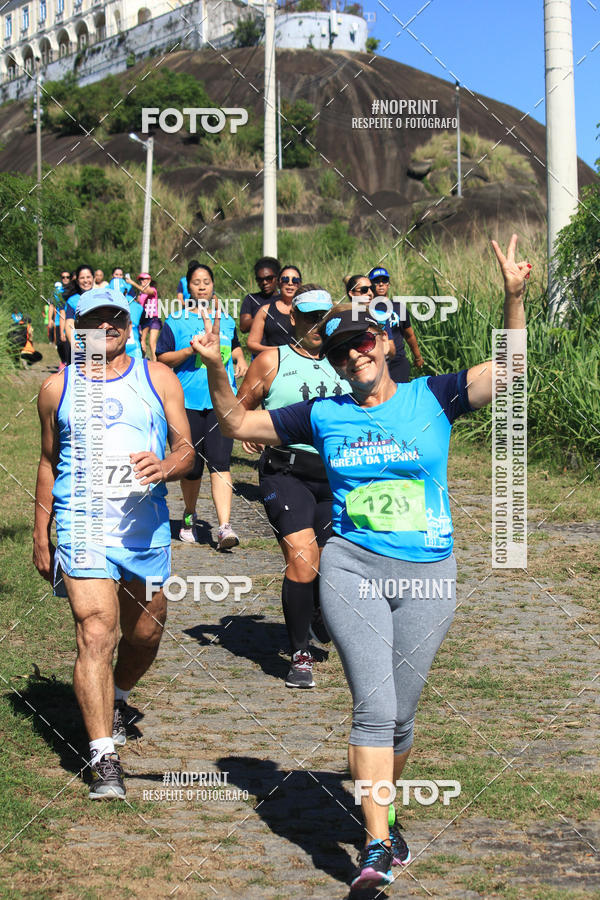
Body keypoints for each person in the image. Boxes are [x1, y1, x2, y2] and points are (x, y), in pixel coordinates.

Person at [191, 235, 530, 888]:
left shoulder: (434, 396)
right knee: (373, 708)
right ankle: (374, 847)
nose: (356, 354)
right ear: (339, 362)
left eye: (365, 343)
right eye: (344, 350)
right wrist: (213, 366)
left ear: (384, 346)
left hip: (430, 573)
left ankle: (384, 812)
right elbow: (234, 423)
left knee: (401, 713)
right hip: (352, 569)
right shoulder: (322, 414)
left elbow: (511, 371)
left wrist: (512, 297)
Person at [33, 287, 193, 800]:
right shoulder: (56, 389)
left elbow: (186, 448)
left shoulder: (158, 377)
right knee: (97, 631)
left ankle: (118, 696)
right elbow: (47, 460)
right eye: (94, 320)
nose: (107, 328)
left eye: (116, 318)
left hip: (142, 528)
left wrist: (166, 467)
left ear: (128, 324)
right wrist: (41, 532)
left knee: (145, 632)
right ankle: (104, 758)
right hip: (82, 523)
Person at [238, 286, 350, 688]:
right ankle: (299, 653)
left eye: (323, 316)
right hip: (285, 474)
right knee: (303, 561)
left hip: (338, 476)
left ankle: (317, 606)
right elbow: (239, 409)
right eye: (308, 317)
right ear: (293, 320)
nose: (317, 325)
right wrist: (250, 430)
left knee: (330, 565)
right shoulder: (272, 360)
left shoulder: (347, 360)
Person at [156, 262, 248, 550]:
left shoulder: (226, 319)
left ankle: (224, 527)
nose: (202, 286)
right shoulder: (175, 321)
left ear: (213, 285)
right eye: (196, 282)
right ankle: (189, 515)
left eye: (207, 281)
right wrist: (189, 351)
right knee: (192, 467)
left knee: (220, 464)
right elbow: (161, 358)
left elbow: (232, 345)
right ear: (188, 287)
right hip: (187, 403)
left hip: (220, 403)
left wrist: (240, 357)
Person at [368, 266, 423, 382]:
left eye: (384, 280)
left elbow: (409, 335)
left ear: (388, 284)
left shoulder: (398, 307)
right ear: (370, 285)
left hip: (398, 362)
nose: (381, 284)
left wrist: (418, 357)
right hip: (376, 363)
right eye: (376, 281)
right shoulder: (366, 308)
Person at [247, 265, 301, 354]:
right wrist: (279, 350)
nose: (290, 283)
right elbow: (252, 344)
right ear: (278, 283)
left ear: (300, 284)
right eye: (285, 280)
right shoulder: (265, 310)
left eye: (295, 280)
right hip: (274, 362)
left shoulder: (307, 309)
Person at [239, 257, 281, 334]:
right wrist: (265, 316)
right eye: (260, 279)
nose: (264, 282)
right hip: (258, 345)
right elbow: (243, 326)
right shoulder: (251, 299)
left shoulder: (285, 299)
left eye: (269, 278)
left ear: (278, 278)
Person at [126, 273, 160, 361]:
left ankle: (155, 364)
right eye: (141, 280)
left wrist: (132, 283)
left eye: (144, 279)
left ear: (149, 280)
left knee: (152, 343)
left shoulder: (153, 290)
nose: (142, 281)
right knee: (141, 342)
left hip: (153, 318)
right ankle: (143, 360)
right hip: (144, 320)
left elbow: (146, 291)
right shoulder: (141, 294)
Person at [63, 264, 95, 346]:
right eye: (82, 278)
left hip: (99, 342)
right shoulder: (73, 300)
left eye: (88, 277)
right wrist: (72, 340)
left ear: (93, 278)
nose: (85, 280)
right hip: (81, 345)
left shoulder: (103, 297)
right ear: (77, 281)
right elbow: (69, 322)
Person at [53, 270, 72, 370]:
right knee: (60, 343)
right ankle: (64, 360)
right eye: (63, 277)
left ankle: (67, 363)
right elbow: (56, 307)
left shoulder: (73, 292)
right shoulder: (58, 291)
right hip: (59, 320)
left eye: (67, 277)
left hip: (70, 322)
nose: (65, 279)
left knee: (68, 345)